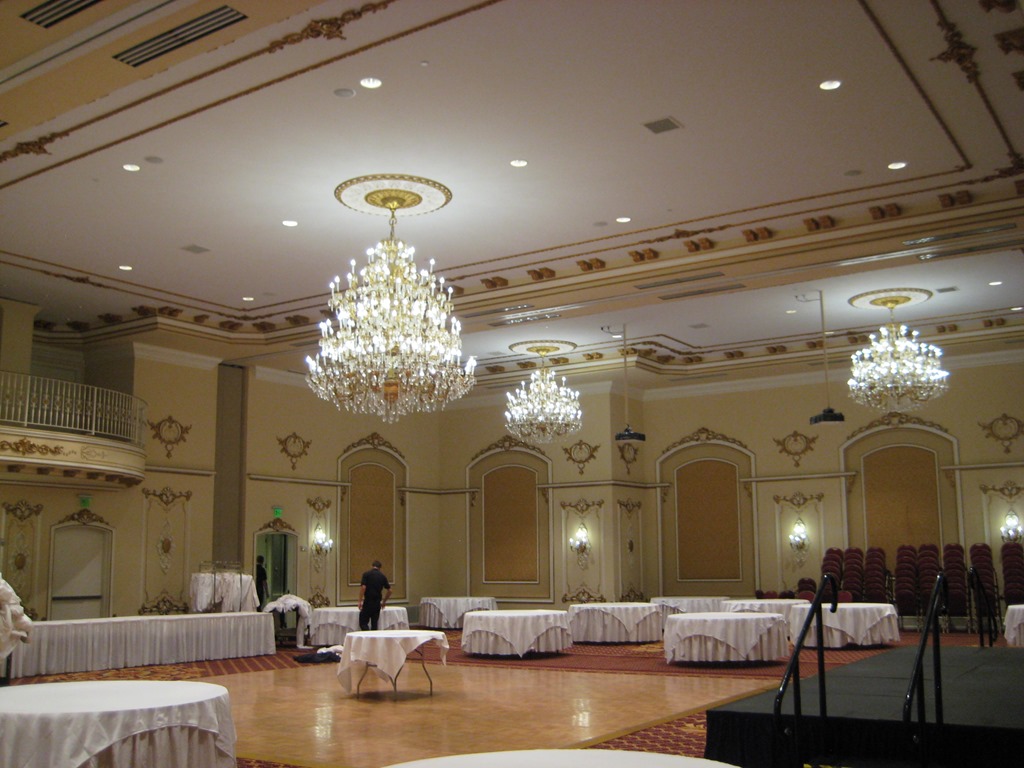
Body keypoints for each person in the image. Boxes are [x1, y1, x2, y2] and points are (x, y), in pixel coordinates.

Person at [358, 560, 391, 630]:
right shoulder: (382, 576)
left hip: (368, 601)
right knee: (374, 624)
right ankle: (373, 635)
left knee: (363, 622)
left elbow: (363, 587)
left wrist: (360, 601)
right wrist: (384, 602)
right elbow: (390, 591)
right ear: (380, 568)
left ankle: (367, 634)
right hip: (377, 603)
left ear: (372, 566)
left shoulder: (366, 574)